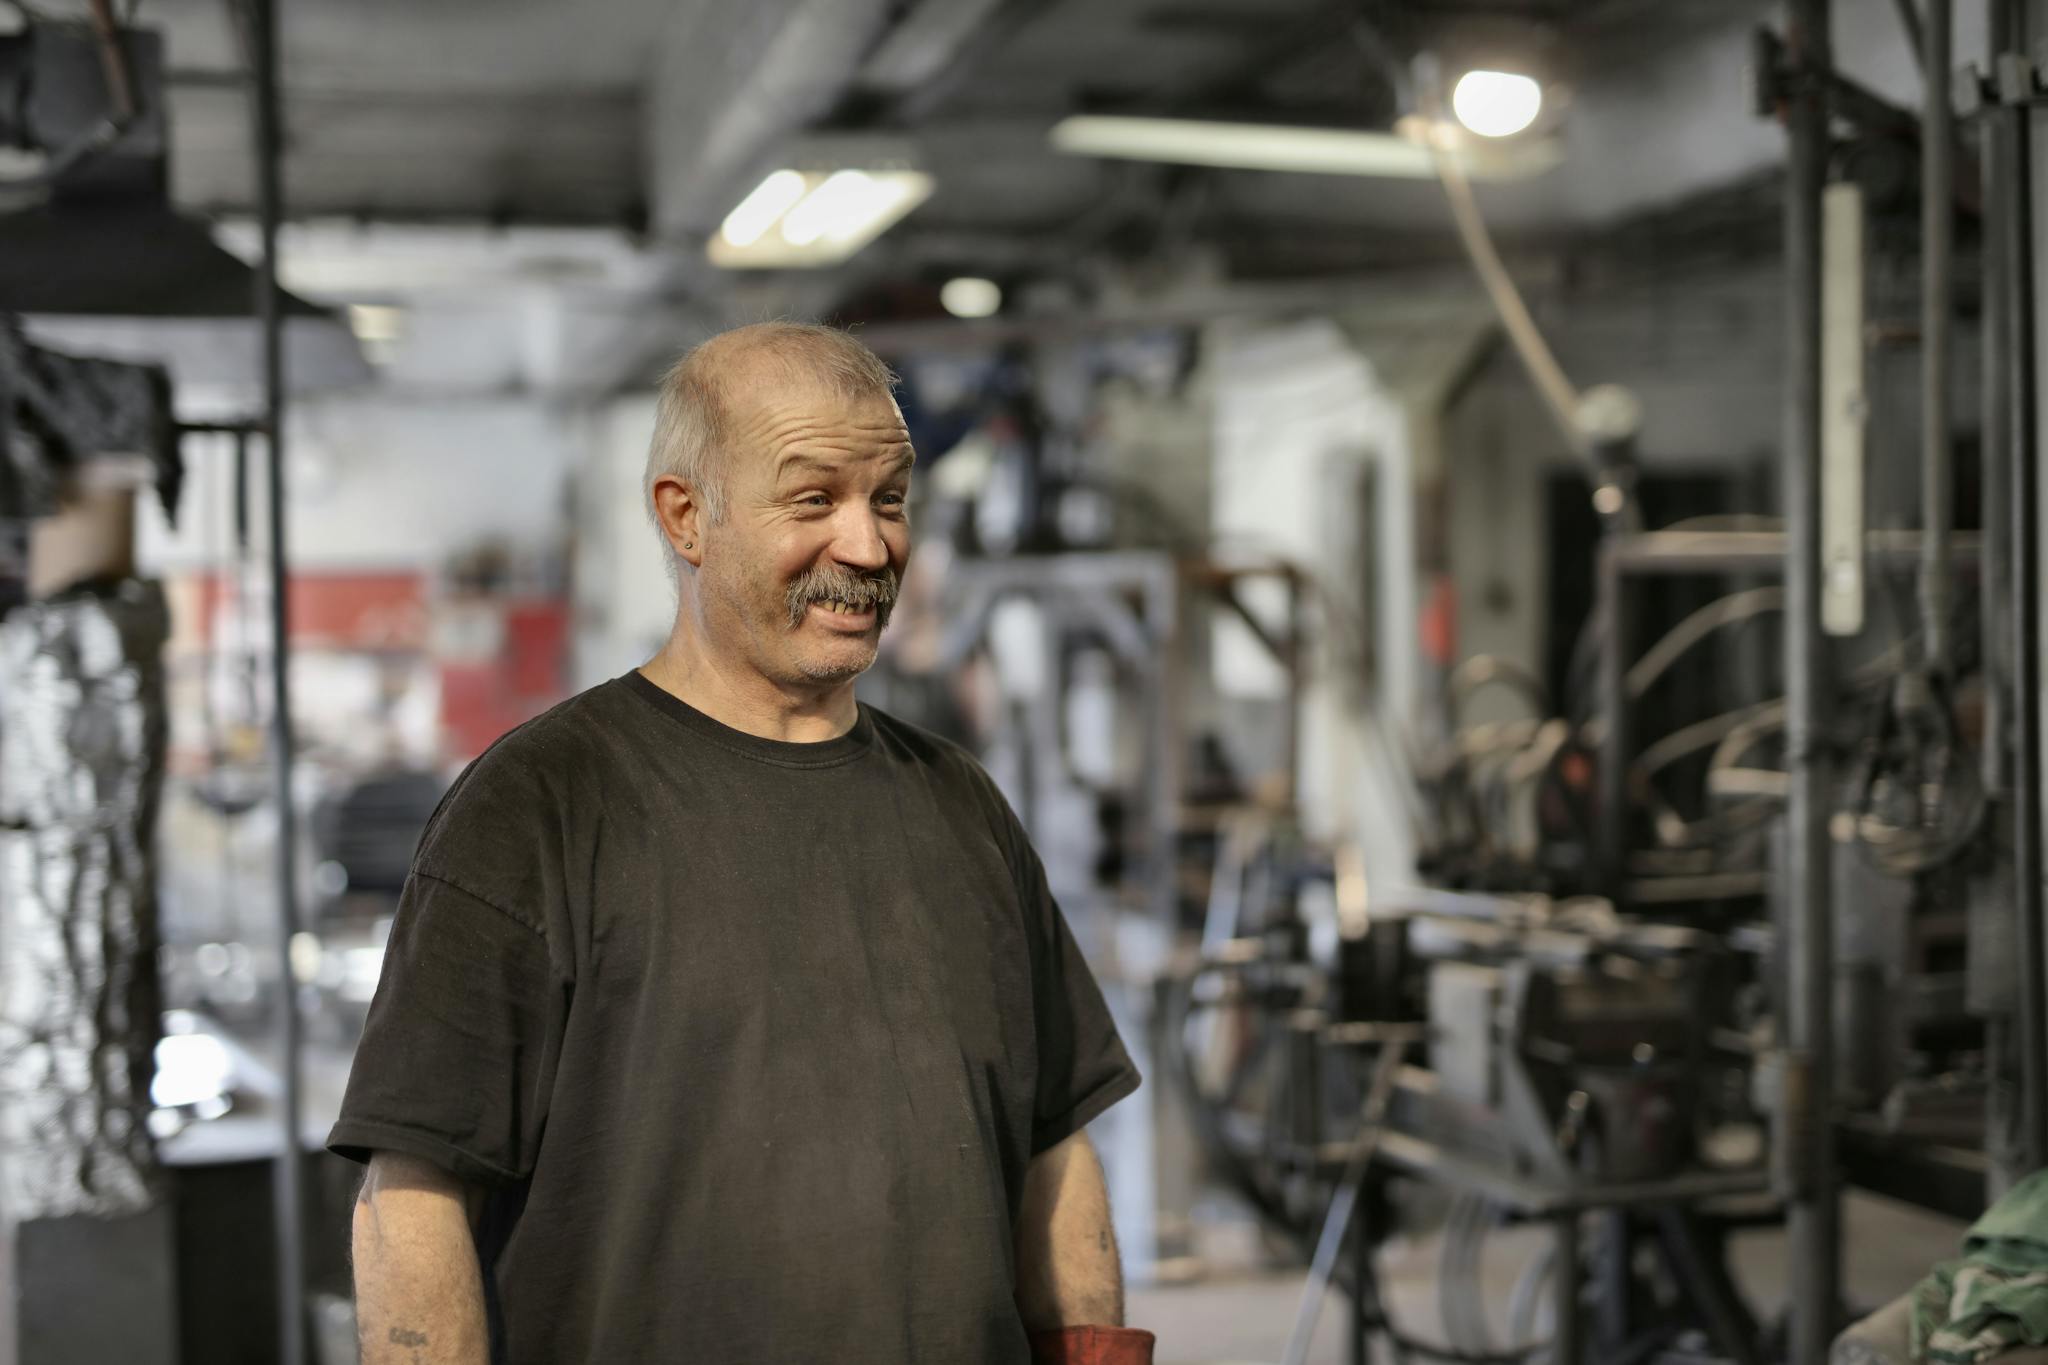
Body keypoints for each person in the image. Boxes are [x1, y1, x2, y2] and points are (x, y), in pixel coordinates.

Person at [333, 322, 1153, 1365]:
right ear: (686, 517)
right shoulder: (537, 807)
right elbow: (411, 1199)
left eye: (889, 500)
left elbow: (1055, 1148)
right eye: (813, 500)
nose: (866, 547)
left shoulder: (960, 807)